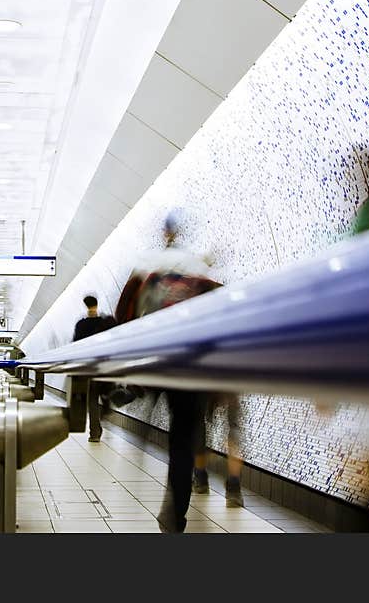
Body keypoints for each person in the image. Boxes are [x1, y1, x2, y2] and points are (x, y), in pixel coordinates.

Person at [113, 212, 243, 532]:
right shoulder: (201, 268)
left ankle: (135, 389)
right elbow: (223, 312)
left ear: (164, 233)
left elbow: (122, 313)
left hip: (156, 358)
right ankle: (175, 514)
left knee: (159, 418)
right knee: (183, 441)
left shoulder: (146, 263)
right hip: (191, 366)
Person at [72, 295, 116, 443]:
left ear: (86, 306)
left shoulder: (81, 325)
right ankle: (106, 407)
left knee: (92, 399)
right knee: (103, 392)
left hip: (89, 367)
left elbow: (75, 346)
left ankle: (95, 433)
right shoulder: (107, 322)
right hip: (105, 365)